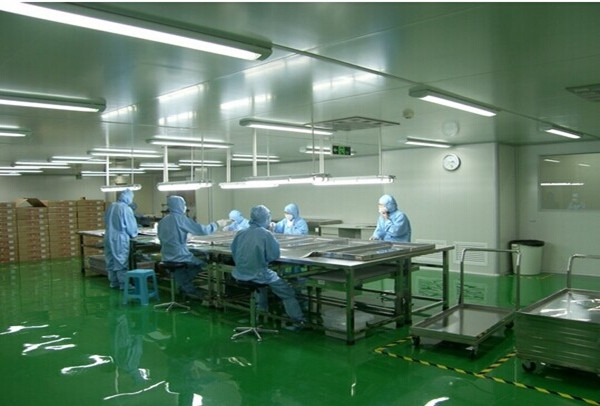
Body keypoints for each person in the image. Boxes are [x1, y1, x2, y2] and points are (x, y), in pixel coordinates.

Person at [231, 205, 306, 330]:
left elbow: (234, 252)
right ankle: (298, 321)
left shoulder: (240, 233)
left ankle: (261, 312)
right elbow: (273, 256)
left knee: (261, 286)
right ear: (266, 218)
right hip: (259, 274)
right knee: (287, 293)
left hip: (240, 273)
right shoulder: (266, 234)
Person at [157, 195, 228, 299]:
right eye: (184, 204)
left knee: (180, 271)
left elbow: (163, 237)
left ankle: (184, 286)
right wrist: (217, 224)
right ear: (180, 205)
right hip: (180, 255)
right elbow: (203, 230)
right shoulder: (181, 219)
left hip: (166, 255)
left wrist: (183, 238)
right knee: (203, 263)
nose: (185, 207)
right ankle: (187, 287)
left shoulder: (163, 221)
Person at [104, 189, 139, 290]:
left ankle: (113, 282)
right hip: (119, 238)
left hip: (108, 235)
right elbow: (131, 227)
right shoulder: (126, 209)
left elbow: (105, 219)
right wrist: (134, 234)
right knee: (121, 260)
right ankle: (124, 284)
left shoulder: (111, 206)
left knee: (110, 259)